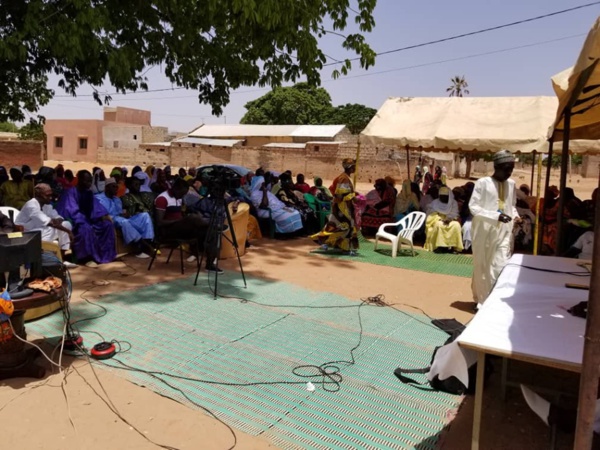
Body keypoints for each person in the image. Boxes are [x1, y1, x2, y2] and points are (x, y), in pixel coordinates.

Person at [469, 149, 519, 304]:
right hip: (484, 231)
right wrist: (496, 216)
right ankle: (481, 301)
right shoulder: (483, 183)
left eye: (511, 169)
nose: (510, 172)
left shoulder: (511, 184)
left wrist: (516, 216)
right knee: (482, 266)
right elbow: (474, 207)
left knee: (500, 265)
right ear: (497, 167)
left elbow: (511, 205)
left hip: (504, 231)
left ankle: (494, 300)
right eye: (507, 169)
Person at [154, 177, 220, 271]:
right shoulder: (162, 199)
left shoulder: (179, 198)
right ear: (176, 189)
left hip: (181, 229)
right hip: (168, 230)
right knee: (192, 217)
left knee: (211, 232)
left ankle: (210, 264)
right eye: (182, 193)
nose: (183, 196)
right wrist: (180, 221)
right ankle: (209, 225)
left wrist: (183, 220)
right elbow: (160, 222)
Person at [56, 170, 116, 266]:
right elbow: (71, 211)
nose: (89, 184)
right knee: (86, 229)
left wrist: (104, 215)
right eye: (86, 181)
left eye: (90, 181)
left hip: (90, 220)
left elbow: (96, 207)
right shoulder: (70, 192)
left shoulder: (88, 193)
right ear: (79, 180)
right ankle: (87, 258)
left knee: (107, 225)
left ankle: (105, 255)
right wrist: (83, 220)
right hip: (77, 222)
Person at [16, 183, 75, 264]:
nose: (50, 197)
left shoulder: (46, 205)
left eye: (51, 195)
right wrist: (69, 232)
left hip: (40, 229)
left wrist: (55, 221)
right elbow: (50, 223)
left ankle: (62, 257)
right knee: (51, 229)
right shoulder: (31, 205)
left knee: (66, 224)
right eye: (47, 195)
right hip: (26, 234)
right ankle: (46, 257)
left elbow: (58, 218)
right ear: (38, 194)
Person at [311, 158, 359, 255]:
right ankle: (340, 247)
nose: (355, 168)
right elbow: (340, 195)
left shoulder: (345, 177)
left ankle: (331, 244)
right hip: (342, 208)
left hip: (343, 207)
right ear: (350, 167)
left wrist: (353, 195)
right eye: (354, 166)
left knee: (337, 226)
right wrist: (353, 196)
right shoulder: (344, 178)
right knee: (345, 226)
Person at [96, 178, 154, 258]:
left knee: (144, 215)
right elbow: (102, 214)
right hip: (109, 219)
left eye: (116, 187)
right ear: (107, 187)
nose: (116, 189)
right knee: (123, 221)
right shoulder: (99, 198)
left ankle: (148, 242)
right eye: (113, 187)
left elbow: (120, 213)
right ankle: (140, 246)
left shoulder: (117, 199)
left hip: (120, 218)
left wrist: (125, 214)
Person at [424, 186, 463, 253]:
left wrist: (449, 219)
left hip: (451, 220)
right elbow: (430, 213)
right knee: (439, 225)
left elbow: (455, 214)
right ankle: (439, 246)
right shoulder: (435, 203)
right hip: (437, 219)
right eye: (441, 196)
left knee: (456, 225)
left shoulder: (453, 203)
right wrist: (438, 218)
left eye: (445, 196)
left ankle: (454, 247)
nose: (443, 198)